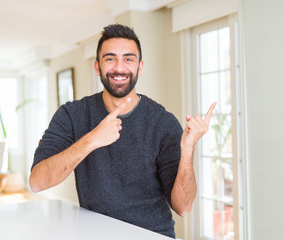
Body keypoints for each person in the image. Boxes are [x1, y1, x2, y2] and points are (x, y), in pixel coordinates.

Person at [29, 24, 216, 239]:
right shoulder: (72, 115)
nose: (119, 68)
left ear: (140, 67)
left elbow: (183, 207)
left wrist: (187, 149)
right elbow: (37, 182)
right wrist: (92, 139)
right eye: (110, 59)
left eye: (128, 59)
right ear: (97, 67)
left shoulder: (163, 122)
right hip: (95, 234)